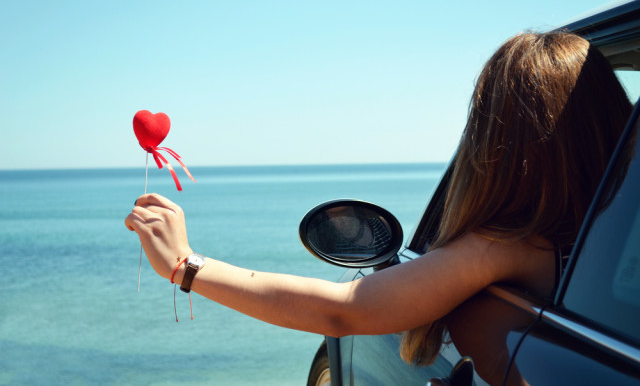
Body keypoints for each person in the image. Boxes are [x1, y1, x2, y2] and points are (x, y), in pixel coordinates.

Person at [125, 32, 632, 370]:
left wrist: (185, 265)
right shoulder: (620, 234)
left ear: (496, 149)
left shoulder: (510, 248)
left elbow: (343, 311)